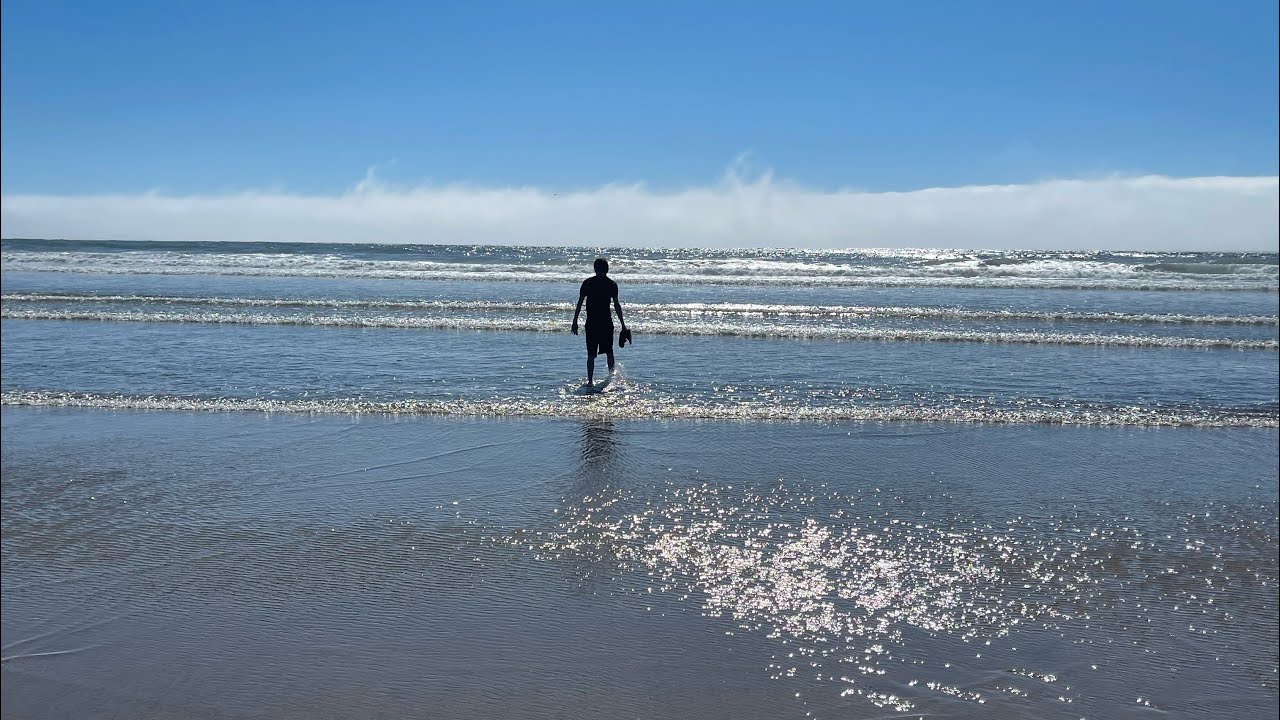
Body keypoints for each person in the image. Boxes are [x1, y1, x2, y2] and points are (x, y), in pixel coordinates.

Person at [571, 258, 626, 385]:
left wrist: (574, 322)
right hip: (606, 323)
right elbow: (617, 306)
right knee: (609, 352)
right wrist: (623, 324)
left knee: (591, 354)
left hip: (591, 323)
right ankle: (610, 379)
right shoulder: (611, 284)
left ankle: (590, 381)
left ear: (595, 269)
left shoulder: (587, 283)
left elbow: (579, 304)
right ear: (607, 269)